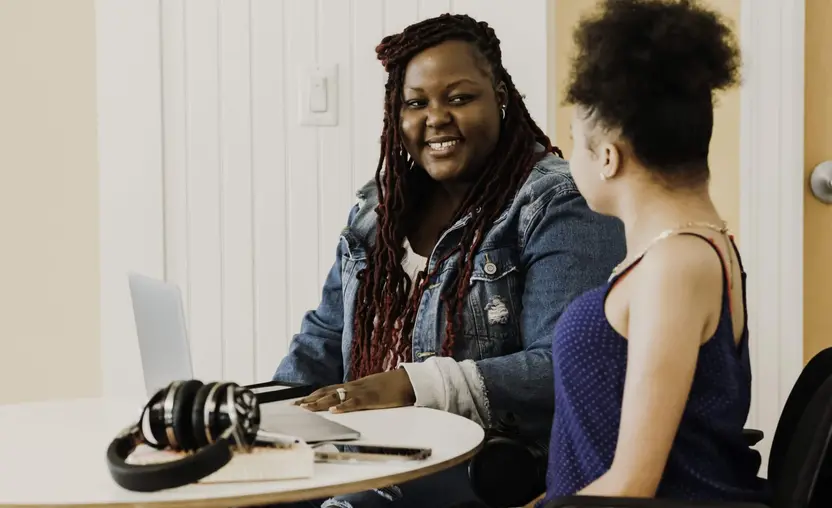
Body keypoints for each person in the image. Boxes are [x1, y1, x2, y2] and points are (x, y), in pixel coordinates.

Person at [270, 13, 625, 508]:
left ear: (499, 95)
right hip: (364, 451)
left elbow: (560, 366)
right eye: (416, 103)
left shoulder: (558, 200)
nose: (435, 117)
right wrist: (255, 415)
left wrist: (411, 385)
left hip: (489, 462)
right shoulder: (377, 211)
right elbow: (324, 339)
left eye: (459, 98)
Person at [537, 0, 770, 505]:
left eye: (574, 141)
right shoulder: (681, 251)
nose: (568, 154)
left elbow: (631, 487)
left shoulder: (677, 265)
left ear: (607, 156)